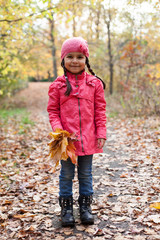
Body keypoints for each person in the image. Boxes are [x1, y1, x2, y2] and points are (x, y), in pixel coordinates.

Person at [47, 37, 107, 227]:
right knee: (66, 174)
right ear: (63, 59)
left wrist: (101, 132)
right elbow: (53, 111)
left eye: (80, 57)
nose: (75, 61)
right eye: (70, 56)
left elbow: (100, 110)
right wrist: (59, 131)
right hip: (67, 142)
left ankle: (85, 207)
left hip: (88, 138)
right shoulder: (57, 85)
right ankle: (66, 209)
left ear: (86, 60)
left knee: (86, 174)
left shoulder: (94, 84)